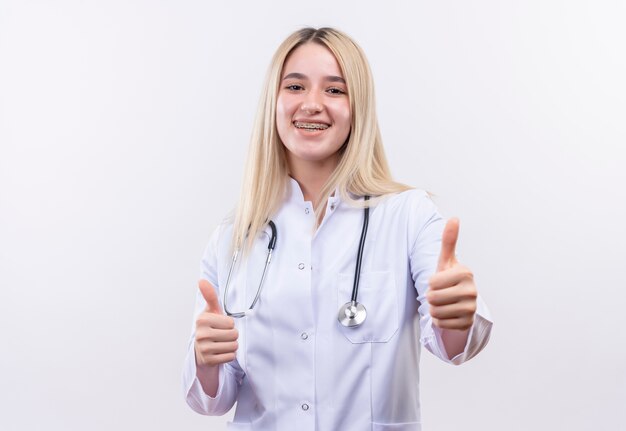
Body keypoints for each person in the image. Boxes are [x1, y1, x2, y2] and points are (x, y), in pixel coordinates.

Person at [182, 27, 492, 430]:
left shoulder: (407, 216)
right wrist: (206, 360)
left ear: (357, 107)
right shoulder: (232, 238)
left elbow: (454, 347)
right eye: (295, 86)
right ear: (273, 102)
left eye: (334, 90)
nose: (312, 104)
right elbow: (213, 399)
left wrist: (457, 316)